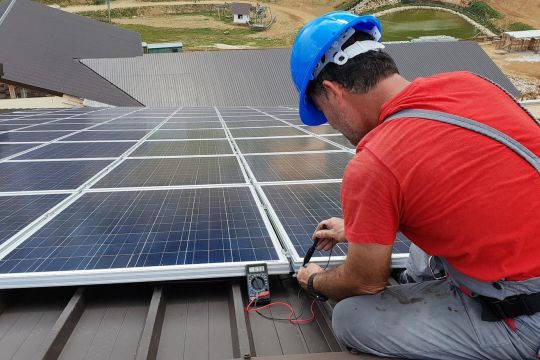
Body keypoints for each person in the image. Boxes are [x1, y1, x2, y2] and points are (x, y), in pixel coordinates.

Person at [291, 11, 540, 360]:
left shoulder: (374, 162)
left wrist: (315, 280)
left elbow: (365, 282)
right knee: (419, 250)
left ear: (332, 93)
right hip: (527, 252)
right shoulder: (469, 84)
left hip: (525, 314)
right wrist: (356, 229)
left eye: (324, 113)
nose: (330, 125)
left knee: (350, 318)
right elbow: (456, 188)